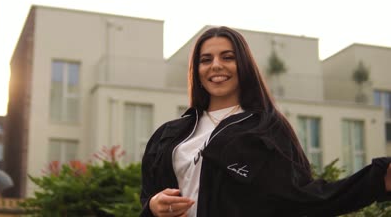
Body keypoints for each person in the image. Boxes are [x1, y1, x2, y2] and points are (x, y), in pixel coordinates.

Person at [140, 26, 391, 217]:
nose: (216, 66)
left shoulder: (266, 128)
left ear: (244, 65)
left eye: (227, 57)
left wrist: (377, 179)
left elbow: (304, 197)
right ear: (197, 70)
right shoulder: (169, 134)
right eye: (206, 60)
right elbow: (147, 198)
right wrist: (152, 206)